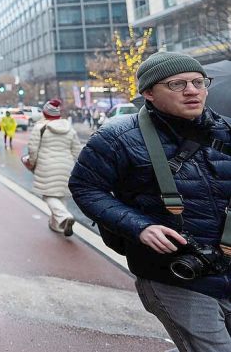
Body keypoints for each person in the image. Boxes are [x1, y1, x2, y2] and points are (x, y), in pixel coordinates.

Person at [69, 52, 231, 351]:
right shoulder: (116, 137)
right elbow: (86, 187)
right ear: (149, 93)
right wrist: (140, 227)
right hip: (176, 276)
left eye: (198, 82)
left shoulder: (227, 129)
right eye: (177, 84)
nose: (193, 90)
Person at [26, 99, 81, 236]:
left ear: (45, 113)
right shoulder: (69, 128)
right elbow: (77, 151)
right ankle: (57, 226)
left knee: (48, 195)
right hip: (66, 166)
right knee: (60, 194)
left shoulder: (40, 127)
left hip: (46, 165)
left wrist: (31, 163)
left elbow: (33, 150)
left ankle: (64, 217)